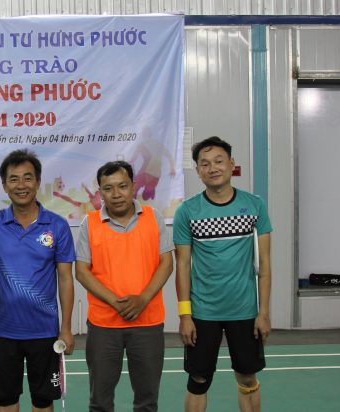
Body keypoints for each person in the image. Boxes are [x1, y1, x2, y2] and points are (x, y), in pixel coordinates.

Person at [174, 136, 272, 412]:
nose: (212, 168)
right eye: (204, 164)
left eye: (219, 161)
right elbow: (182, 266)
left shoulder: (254, 206)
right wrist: (185, 315)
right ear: (197, 170)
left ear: (231, 164)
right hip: (203, 313)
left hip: (245, 311)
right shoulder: (187, 211)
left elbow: (265, 265)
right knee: (198, 379)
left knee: (247, 377)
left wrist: (264, 313)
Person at [0, 149, 75, 412]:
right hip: (4, 331)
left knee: (43, 402)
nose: (21, 185)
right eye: (14, 179)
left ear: (38, 181)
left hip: (45, 332)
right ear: (4, 185)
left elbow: (66, 279)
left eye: (27, 178)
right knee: (6, 401)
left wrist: (66, 328)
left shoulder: (57, 226)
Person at [74, 161, 174, 412]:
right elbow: (82, 271)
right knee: (100, 402)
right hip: (104, 325)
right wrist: (114, 301)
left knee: (147, 401)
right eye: (108, 188)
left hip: (148, 322)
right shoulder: (89, 223)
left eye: (122, 186)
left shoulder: (153, 217)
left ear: (133, 186)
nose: (116, 194)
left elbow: (166, 263)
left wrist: (143, 299)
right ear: (100, 192)